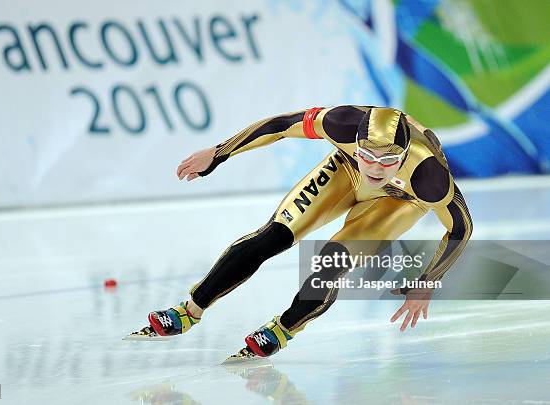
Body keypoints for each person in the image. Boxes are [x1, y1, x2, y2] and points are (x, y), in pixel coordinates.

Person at [126, 106, 473, 360]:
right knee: (272, 236)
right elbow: (280, 125)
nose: (375, 169)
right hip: (343, 172)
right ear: (355, 142)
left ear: (403, 157)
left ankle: (284, 327)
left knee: (331, 261)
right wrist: (218, 153)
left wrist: (428, 280)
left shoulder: (430, 176)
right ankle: (190, 310)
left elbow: (460, 228)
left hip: (401, 198)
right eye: (367, 155)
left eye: (387, 161)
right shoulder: (339, 123)